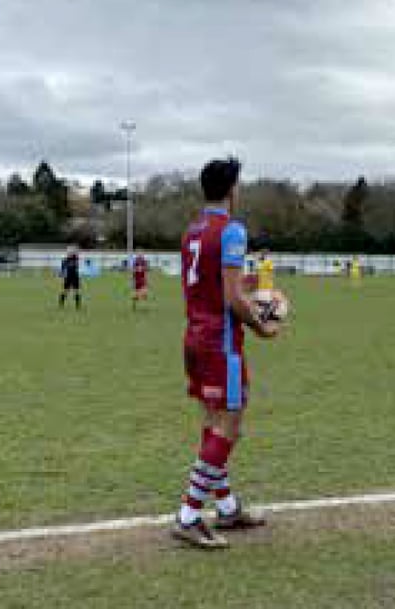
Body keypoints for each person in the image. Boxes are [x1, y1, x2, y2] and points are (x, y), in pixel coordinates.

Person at [173, 157, 279, 549]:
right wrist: (261, 325)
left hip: (194, 338)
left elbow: (212, 284)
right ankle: (187, 516)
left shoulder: (192, 232)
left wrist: (247, 283)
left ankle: (229, 508)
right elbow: (233, 299)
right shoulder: (232, 230)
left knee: (213, 422)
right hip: (220, 343)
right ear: (233, 189)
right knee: (229, 426)